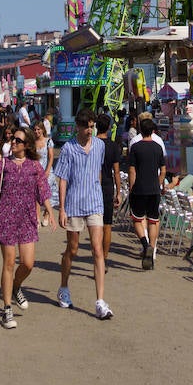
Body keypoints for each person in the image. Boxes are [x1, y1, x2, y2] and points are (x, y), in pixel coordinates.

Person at [0, 126, 57, 329]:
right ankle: (7, 308)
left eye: (17, 140)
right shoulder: (3, 165)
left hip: (27, 219)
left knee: (28, 263)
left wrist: (50, 212)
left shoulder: (34, 166)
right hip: (6, 219)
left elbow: (43, 190)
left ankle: (16, 286)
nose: (13, 142)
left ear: (27, 145)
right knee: (8, 262)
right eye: (12, 139)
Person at [55, 108, 112, 319]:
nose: (90, 130)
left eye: (92, 126)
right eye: (86, 127)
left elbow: (97, 169)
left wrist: (97, 188)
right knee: (73, 249)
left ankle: (100, 301)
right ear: (78, 127)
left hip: (95, 203)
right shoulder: (68, 148)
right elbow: (62, 179)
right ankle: (64, 286)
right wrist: (61, 208)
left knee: (97, 250)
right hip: (74, 204)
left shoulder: (99, 146)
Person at [128, 114, 167, 269]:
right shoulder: (158, 147)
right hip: (154, 189)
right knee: (153, 220)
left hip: (139, 188)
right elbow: (163, 170)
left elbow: (132, 171)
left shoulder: (135, 147)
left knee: (137, 219)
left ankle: (145, 245)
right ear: (153, 131)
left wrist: (131, 188)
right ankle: (152, 246)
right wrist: (158, 183)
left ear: (140, 130)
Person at [95, 113, 121, 269]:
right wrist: (118, 192)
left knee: (95, 226)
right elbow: (116, 172)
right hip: (107, 187)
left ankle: (97, 258)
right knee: (107, 225)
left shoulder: (92, 144)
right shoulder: (113, 146)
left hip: (93, 187)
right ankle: (103, 259)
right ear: (109, 127)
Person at [34, 117, 55, 226]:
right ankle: (37, 217)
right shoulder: (33, 142)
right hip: (36, 171)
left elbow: (51, 157)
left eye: (39, 129)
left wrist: (47, 171)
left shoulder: (48, 141)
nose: (37, 131)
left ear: (43, 130)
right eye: (35, 129)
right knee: (37, 195)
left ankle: (47, 215)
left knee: (47, 194)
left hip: (47, 170)